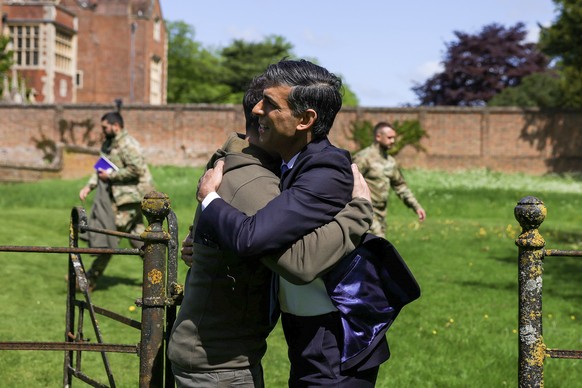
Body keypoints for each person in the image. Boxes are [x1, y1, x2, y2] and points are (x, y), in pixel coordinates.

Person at [168, 76, 374, 388]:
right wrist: (359, 211)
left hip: (216, 353)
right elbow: (298, 262)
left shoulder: (236, 164)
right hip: (220, 362)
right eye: (264, 106)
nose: (263, 111)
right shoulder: (255, 183)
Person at [78, 111, 154, 291]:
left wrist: (112, 175)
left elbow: (137, 169)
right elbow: (101, 167)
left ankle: (89, 279)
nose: (102, 130)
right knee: (137, 235)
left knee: (112, 235)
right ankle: (156, 272)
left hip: (131, 196)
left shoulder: (128, 145)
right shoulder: (108, 144)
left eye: (105, 127)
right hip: (120, 198)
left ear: (115, 125)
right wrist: (89, 186)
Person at [353, 122, 426, 237]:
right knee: (379, 245)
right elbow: (349, 183)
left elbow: (400, 186)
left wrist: (416, 206)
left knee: (374, 250)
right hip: (365, 212)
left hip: (381, 214)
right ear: (378, 137)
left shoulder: (390, 162)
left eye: (394, 138)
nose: (393, 141)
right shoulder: (363, 158)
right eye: (389, 138)